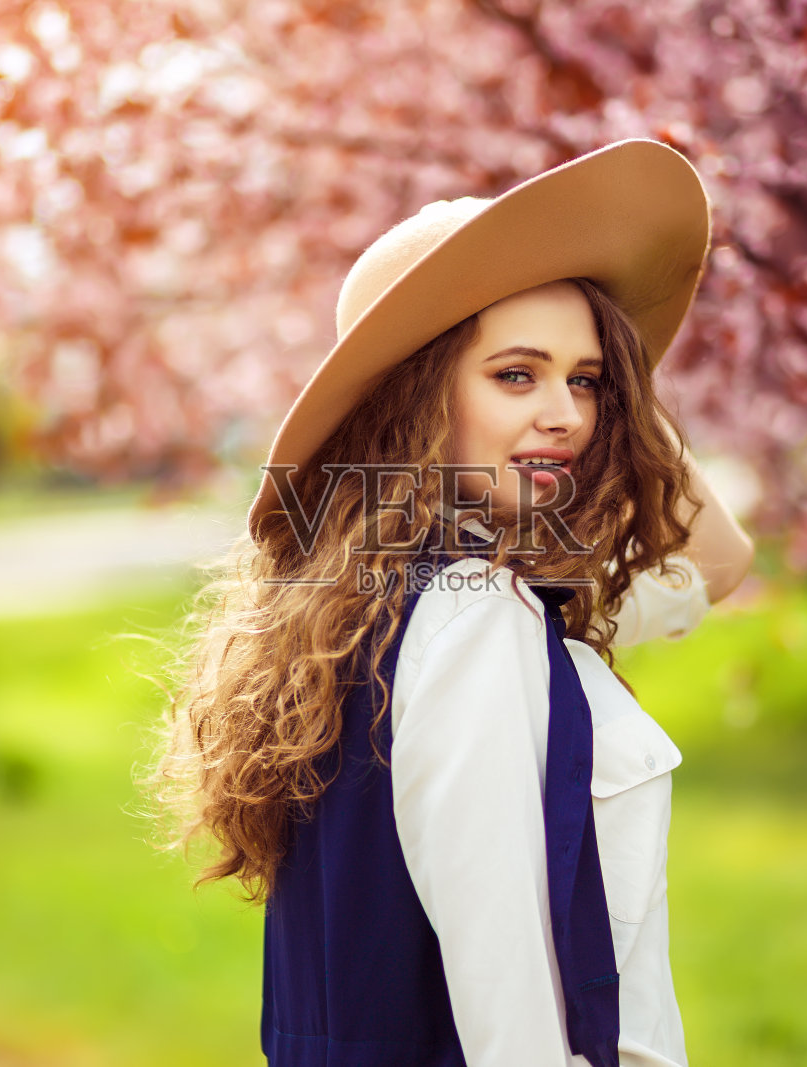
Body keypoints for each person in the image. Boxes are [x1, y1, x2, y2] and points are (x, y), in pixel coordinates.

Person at [151, 139, 755, 1067]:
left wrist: (618, 386)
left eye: (585, 379)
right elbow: (514, 1007)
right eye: (516, 373)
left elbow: (713, 566)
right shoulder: (476, 619)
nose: (569, 414)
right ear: (420, 394)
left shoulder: (347, 607)